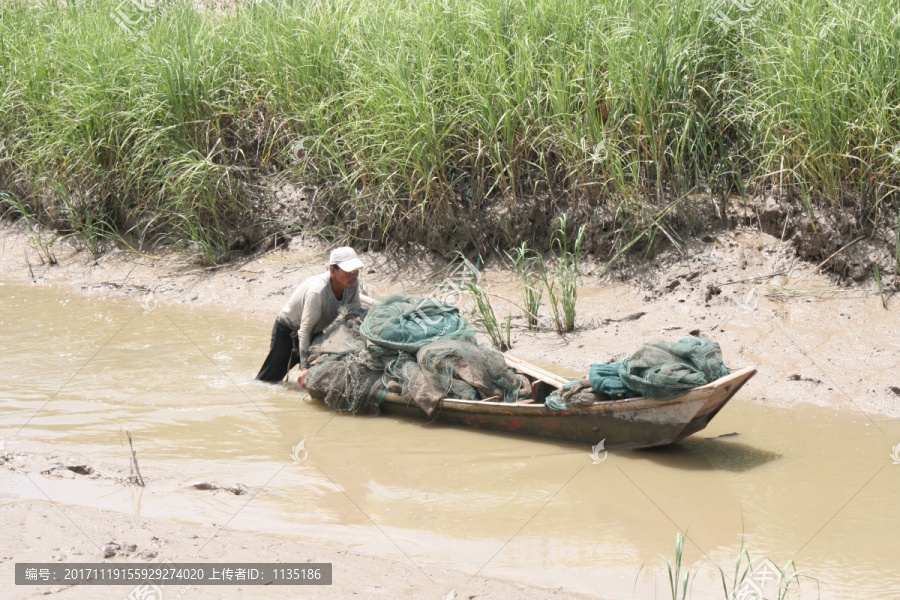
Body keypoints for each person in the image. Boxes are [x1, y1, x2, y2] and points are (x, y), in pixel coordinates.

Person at [256, 247, 372, 386]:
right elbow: (304, 331)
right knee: (269, 380)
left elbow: (355, 314)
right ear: (332, 271)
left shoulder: (352, 284)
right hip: (288, 332)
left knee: (319, 373)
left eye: (356, 271)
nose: (353, 275)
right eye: (348, 271)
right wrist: (304, 368)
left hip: (316, 332)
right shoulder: (318, 291)